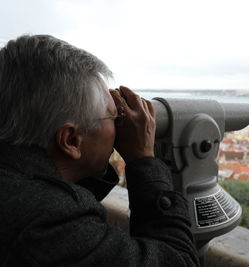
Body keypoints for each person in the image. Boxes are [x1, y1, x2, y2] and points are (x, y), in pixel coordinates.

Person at [0, 35, 199, 266]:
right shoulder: (47, 222)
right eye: (115, 116)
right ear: (72, 140)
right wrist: (144, 159)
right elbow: (179, 262)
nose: (120, 125)